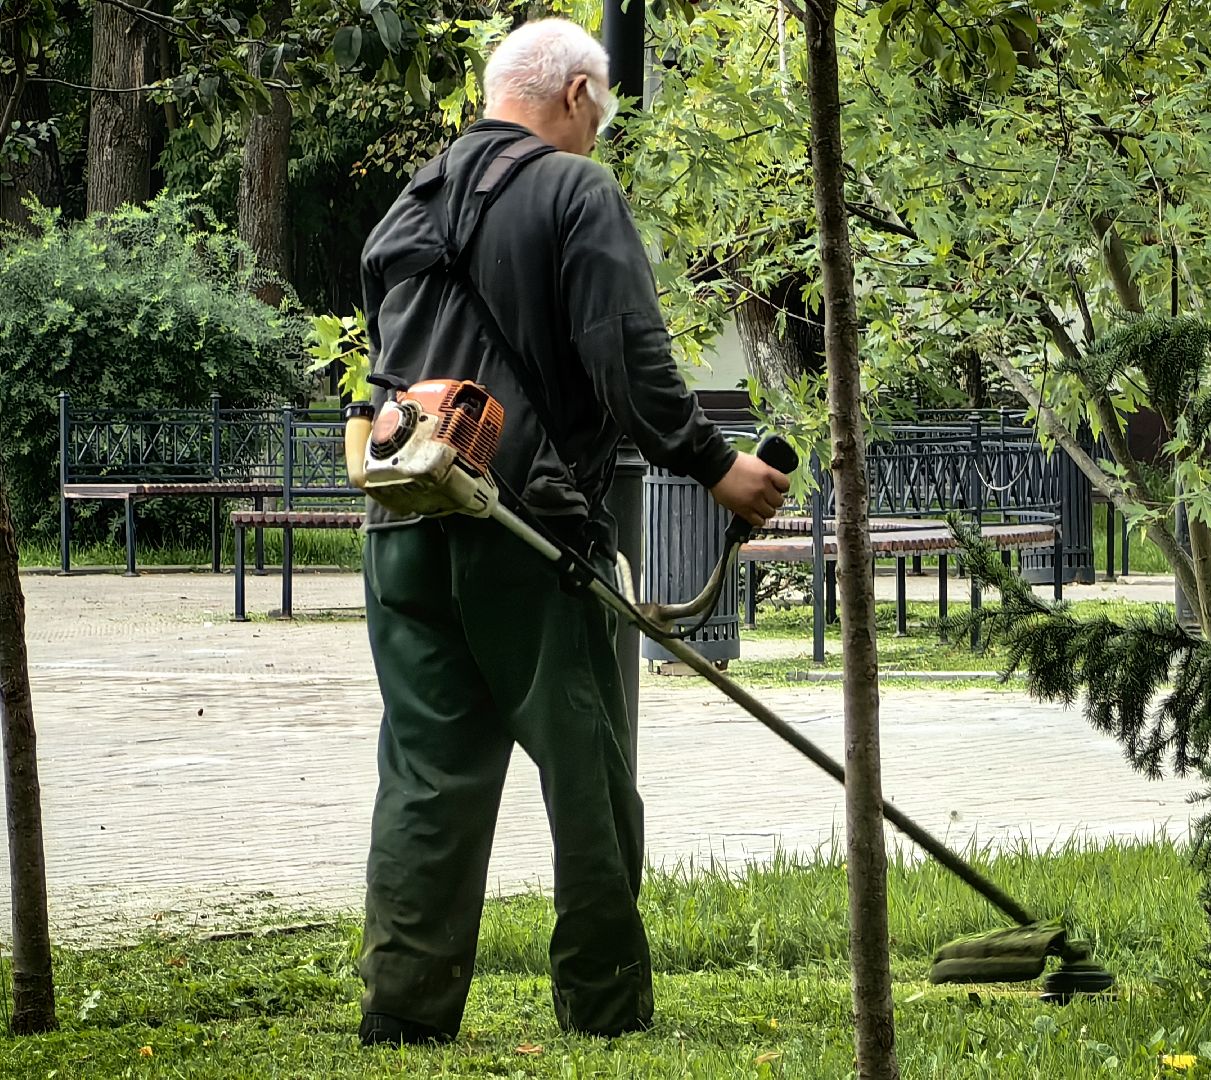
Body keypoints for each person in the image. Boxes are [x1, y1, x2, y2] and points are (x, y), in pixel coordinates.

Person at [351, 17, 790, 1047]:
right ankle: (602, 1012)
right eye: (602, 111)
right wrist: (715, 465)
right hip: (527, 535)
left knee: (426, 776)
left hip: (405, 523)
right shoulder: (575, 189)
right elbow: (626, 359)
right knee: (585, 775)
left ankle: (404, 1017)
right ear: (580, 97)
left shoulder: (406, 204)